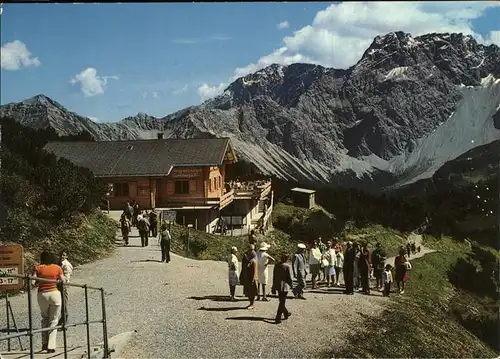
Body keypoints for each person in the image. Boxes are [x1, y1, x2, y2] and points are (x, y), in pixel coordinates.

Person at [32, 250, 64, 354]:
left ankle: (44, 343)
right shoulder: (57, 268)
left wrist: (39, 281)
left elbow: (33, 282)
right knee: (54, 320)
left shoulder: (38, 268)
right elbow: (63, 280)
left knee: (44, 318)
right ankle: (51, 346)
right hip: (54, 294)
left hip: (42, 295)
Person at [271, 253, 294, 324]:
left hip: (278, 285)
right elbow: (289, 277)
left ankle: (286, 313)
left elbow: (274, 277)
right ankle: (278, 318)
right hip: (284, 286)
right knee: (282, 302)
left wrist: (273, 287)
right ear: (287, 259)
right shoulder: (287, 266)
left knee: (281, 301)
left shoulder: (276, 265)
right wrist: (291, 285)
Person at [57, 250, 73, 328]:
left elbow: (67, 277)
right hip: (59, 286)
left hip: (64, 286)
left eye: (64, 255)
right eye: (61, 255)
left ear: (67, 256)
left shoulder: (66, 265)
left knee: (64, 303)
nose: (62, 256)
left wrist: (62, 282)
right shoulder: (59, 263)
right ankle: (62, 320)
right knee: (60, 303)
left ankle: (65, 322)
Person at [240, 245, 259, 309]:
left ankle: (252, 304)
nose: (251, 251)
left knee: (252, 290)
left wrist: (254, 277)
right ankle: (250, 303)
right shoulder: (246, 255)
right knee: (248, 290)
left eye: (252, 250)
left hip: (251, 276)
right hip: (247, 275)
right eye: (250, 249)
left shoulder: (254, 256)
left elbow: (254, 267)